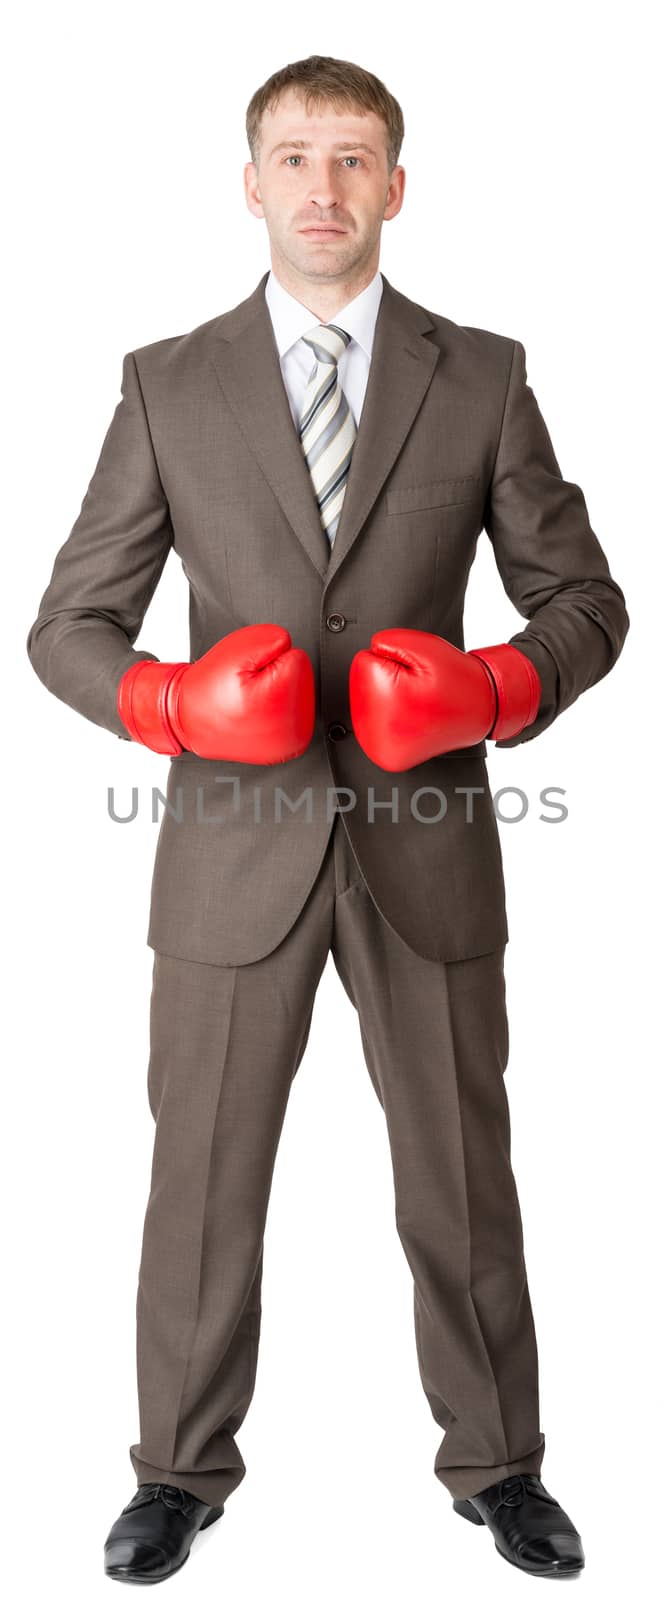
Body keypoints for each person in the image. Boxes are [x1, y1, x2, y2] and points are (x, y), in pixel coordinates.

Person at [26, 53, 629, 1585]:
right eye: (294, 156)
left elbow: (584, 601)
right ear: (250, 184)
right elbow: (68, 624)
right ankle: (177, 1473)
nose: (323, 187)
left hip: (429, 843)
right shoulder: (167, 381)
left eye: (353, 158)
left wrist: (498, 686)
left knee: (462, 1173)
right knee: (204, 1180)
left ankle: (501, 1469)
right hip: (233, 850)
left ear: (396, 187)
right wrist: (167, 708)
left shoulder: (481, 374)